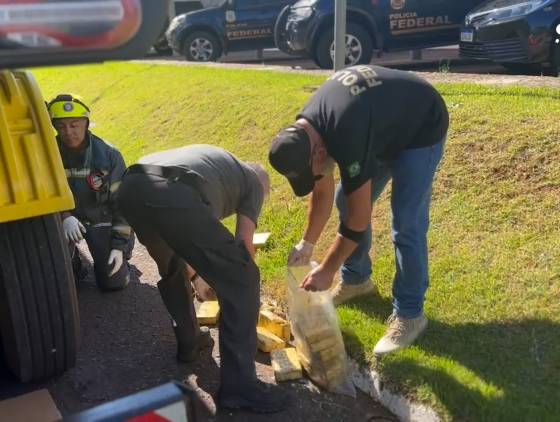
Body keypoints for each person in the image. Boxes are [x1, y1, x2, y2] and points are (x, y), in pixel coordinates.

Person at [268, 65, 448, 356]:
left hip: (421, 123)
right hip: (382, 124)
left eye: (309, 171)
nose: (313, 176)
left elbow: (359, 218)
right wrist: (307, 243)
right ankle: (357, 281)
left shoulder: (343, 132)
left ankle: (410, 314)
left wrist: (327, 269)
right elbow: (323, 190)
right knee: (343, 199)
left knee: (406, 222)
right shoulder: (305, 132)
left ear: (318, 152)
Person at [116, 144, 290, 413]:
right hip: (170, 191)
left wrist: (200, 276)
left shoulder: (219, 169)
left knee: (172, 267)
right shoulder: (254, 183)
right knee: (243, 278)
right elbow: (244, 248)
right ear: (262, 185)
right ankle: (241, 389)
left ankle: (190, 341)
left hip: (131, 188)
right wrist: (243, 293)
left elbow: (184, 240)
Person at [48, 94, 134, 291]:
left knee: (113, 283)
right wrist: (64, 216)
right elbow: (44, 194)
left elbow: (122, 204)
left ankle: (124, 251)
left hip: (102, 220)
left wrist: (119, 246)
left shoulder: (109, 155)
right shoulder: (47, 155)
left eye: (74, 124)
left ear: (86, 123)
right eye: (61, 126)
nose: (69, 132)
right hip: (67, 223)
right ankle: (73, 261)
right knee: (59, 283)